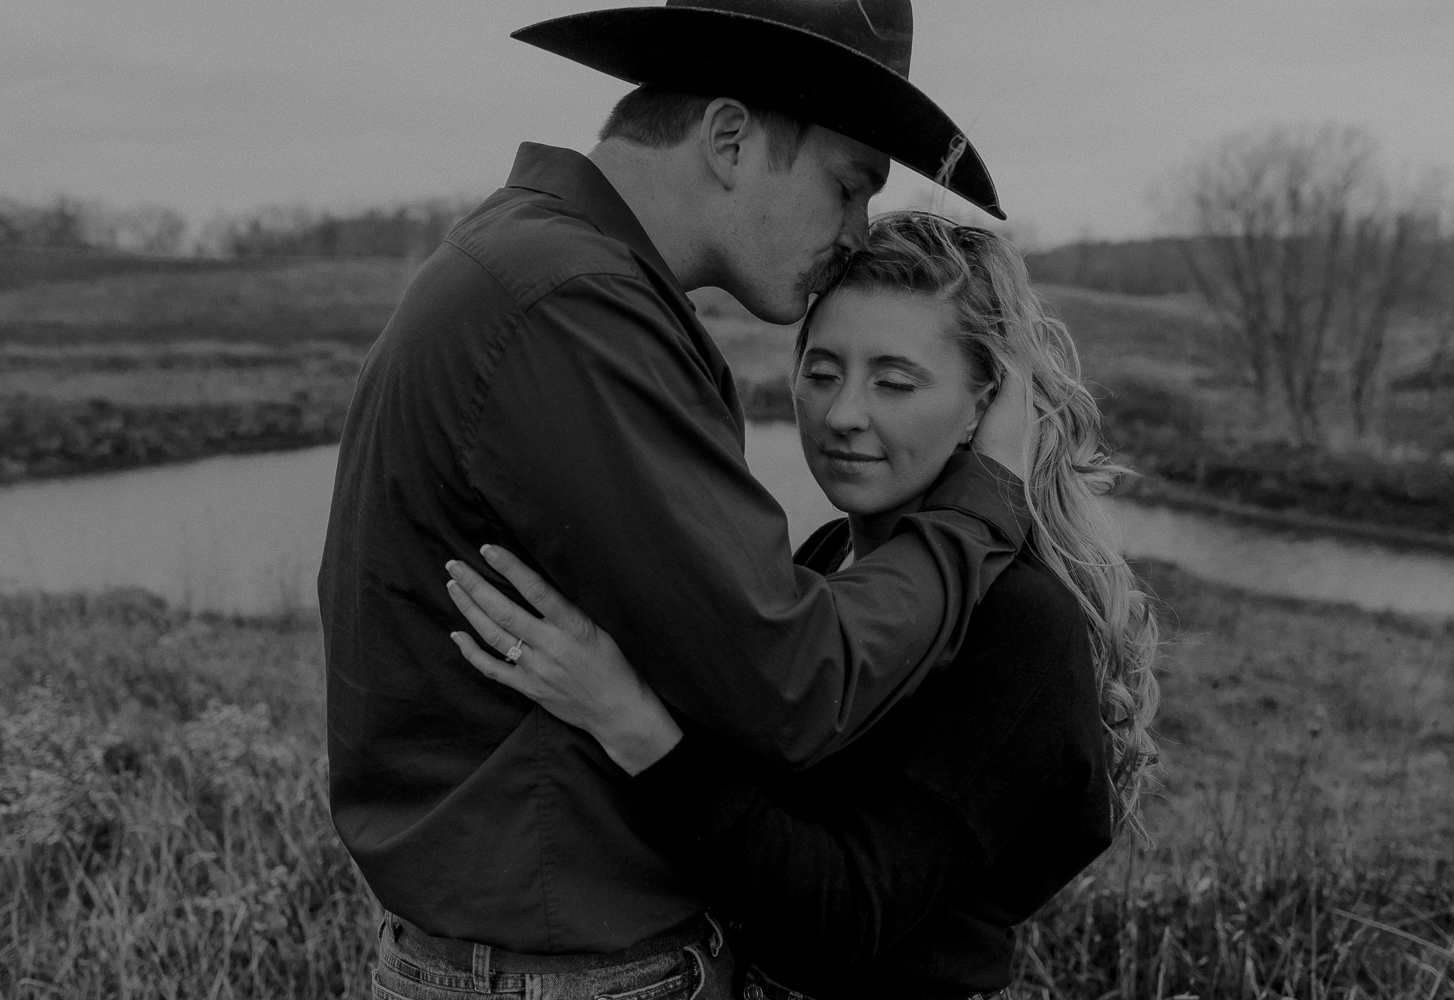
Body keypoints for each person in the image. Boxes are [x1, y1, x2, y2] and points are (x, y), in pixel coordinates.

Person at [317, 3, 1037, 998]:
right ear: (731, 140)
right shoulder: (571, 304)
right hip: (567, 973)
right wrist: (978, 507)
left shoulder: (540, 267)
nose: (857, 229)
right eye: (848, 185)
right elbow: (795, 683)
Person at [444, 212, 1164, 999]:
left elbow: (839, 915)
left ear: (984, 408)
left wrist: (627, 717)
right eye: (822, 373)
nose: (844, 413)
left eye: (895, 382)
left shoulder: (1018, 623)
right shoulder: (829, 555)